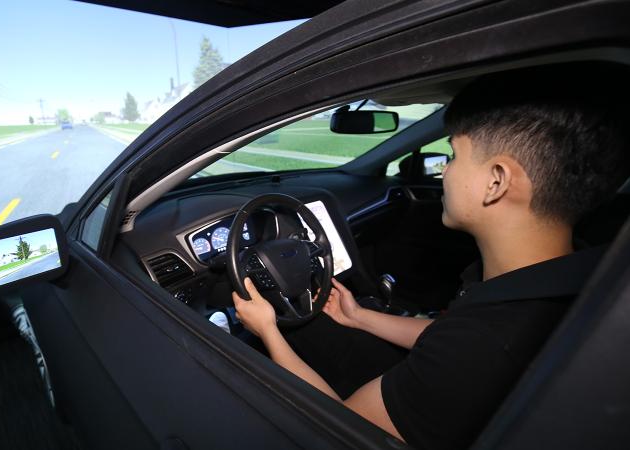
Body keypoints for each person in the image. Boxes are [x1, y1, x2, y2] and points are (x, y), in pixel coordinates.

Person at [232, 64, 630, 450]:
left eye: (453, 156)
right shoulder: (575, 272)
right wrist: (360, 316)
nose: (444, 172)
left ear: (497, 181)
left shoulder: (481, 346)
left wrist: (267, 330)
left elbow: (338, 426)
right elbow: (448, 332)